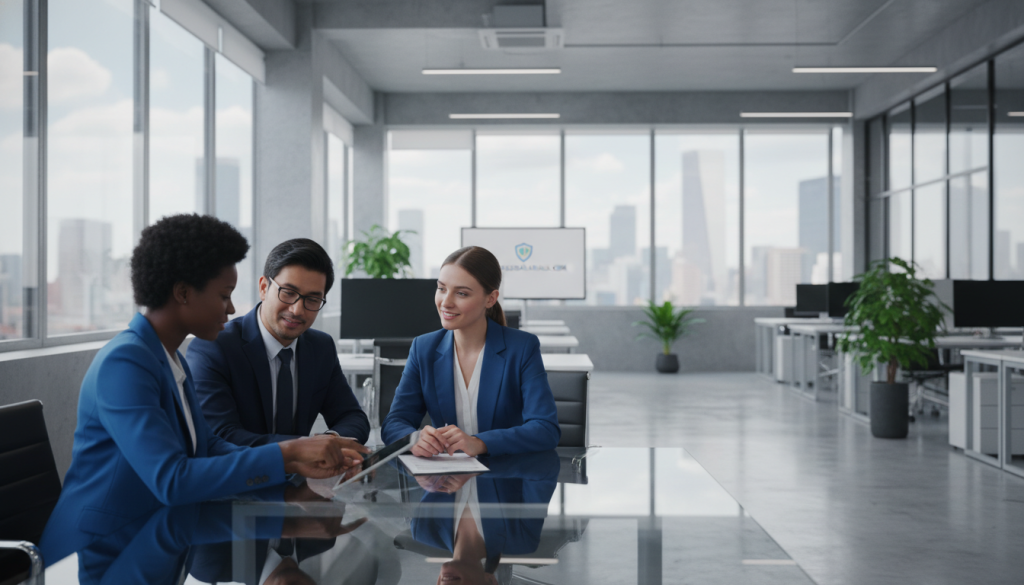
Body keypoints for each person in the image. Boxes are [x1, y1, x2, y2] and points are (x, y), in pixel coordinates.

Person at [39, 215, 367, 557]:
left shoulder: (167, 358)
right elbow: (172, 480)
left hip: (160, 538)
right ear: (183, 293)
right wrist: (289, 453)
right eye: (223, 295)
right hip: (99, 553)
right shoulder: (126, 362)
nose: (231, 308)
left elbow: (209, 445)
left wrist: (289, 495)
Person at [187, 238, 369, 446]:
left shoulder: (321, 347)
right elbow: (222, 435)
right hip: (240, 477)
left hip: (302, 478)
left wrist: (331, 440)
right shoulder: (214, 346)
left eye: (312, 299)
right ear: (264, 287)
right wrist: (306, 450)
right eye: (288, 293)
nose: (297, 310)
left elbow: (352, 417)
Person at [381, 246, 560, 456]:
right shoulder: (424, 348)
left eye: (461, 293)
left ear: (490, 299)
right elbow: (394, 422)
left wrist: (479, 443)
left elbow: (545, 429)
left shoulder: (521, 348)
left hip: (504, 477)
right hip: (443, 481)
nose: (446, 302)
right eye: (441, 289)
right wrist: (414, 438)